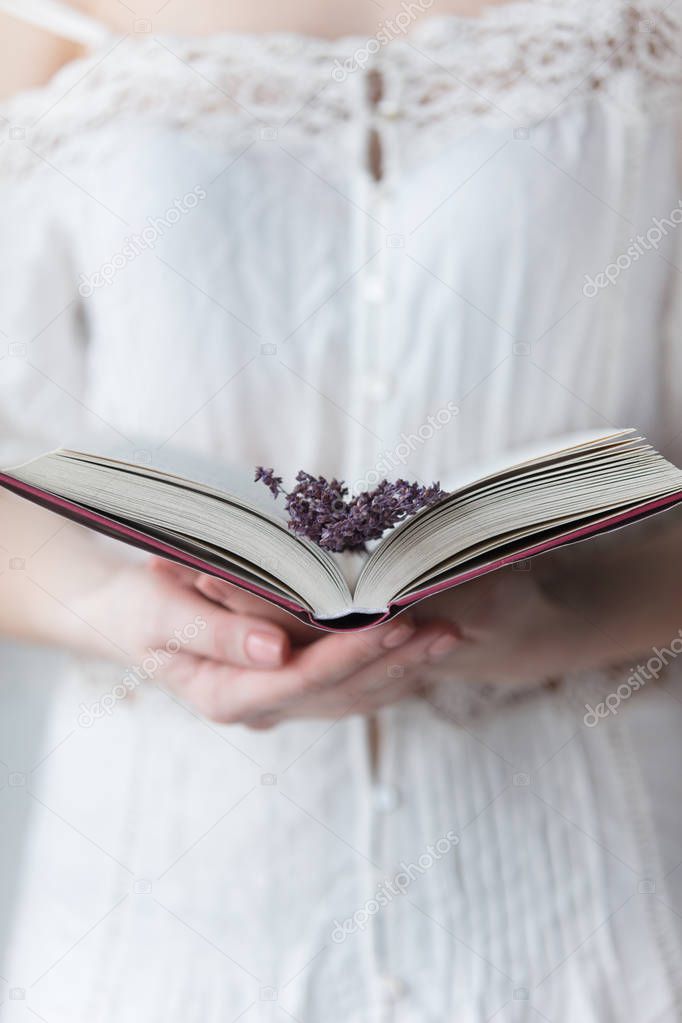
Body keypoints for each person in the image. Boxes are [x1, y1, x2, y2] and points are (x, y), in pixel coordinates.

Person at [1, 0, 682, 1019]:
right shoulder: (42, 20)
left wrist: (560, 612)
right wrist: (128, 613)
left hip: (583, 923)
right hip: (165, 928)